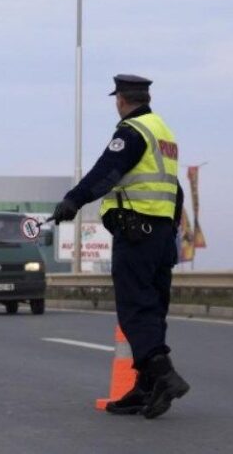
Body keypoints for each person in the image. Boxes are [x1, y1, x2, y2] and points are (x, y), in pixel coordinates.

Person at [51, 74, 190, 419]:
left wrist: (73, 200)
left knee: (135, 307)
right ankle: (145, 389)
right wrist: (171, 228)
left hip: (137, 234)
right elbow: (174, 188)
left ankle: (162, 373)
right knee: (153, 306)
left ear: (121, 100)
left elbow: (106, 171)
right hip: (161, 233)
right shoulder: (164, 132)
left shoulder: (132, 132)